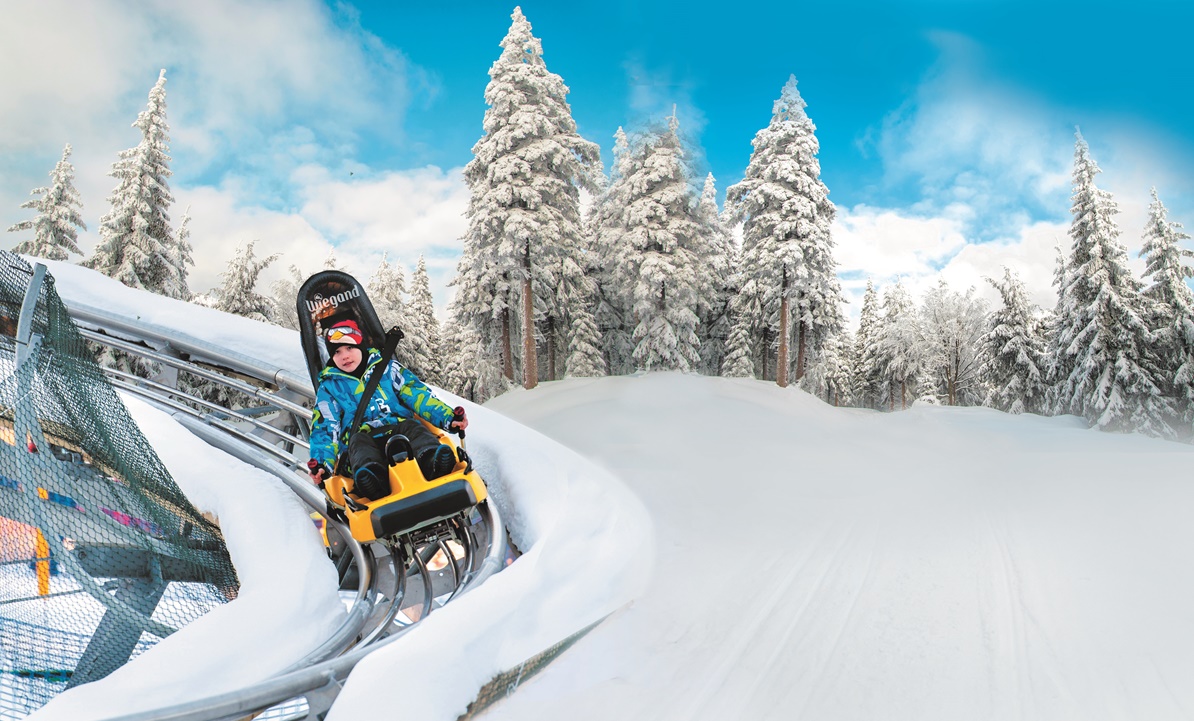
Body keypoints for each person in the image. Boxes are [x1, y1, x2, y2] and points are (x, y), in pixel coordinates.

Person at [306, 319, 468, 498]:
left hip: (398, 429)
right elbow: (325, 427)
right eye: (337, 351)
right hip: (362, 439)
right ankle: (373, 481)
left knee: (413, 427)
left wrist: (448, 417)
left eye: (350, 348)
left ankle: (431, 461)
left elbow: (418, 395)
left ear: (361, 347)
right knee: (358, 443)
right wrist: (321, 464)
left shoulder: (387, 369)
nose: (344, 356)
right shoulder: (330, 388)